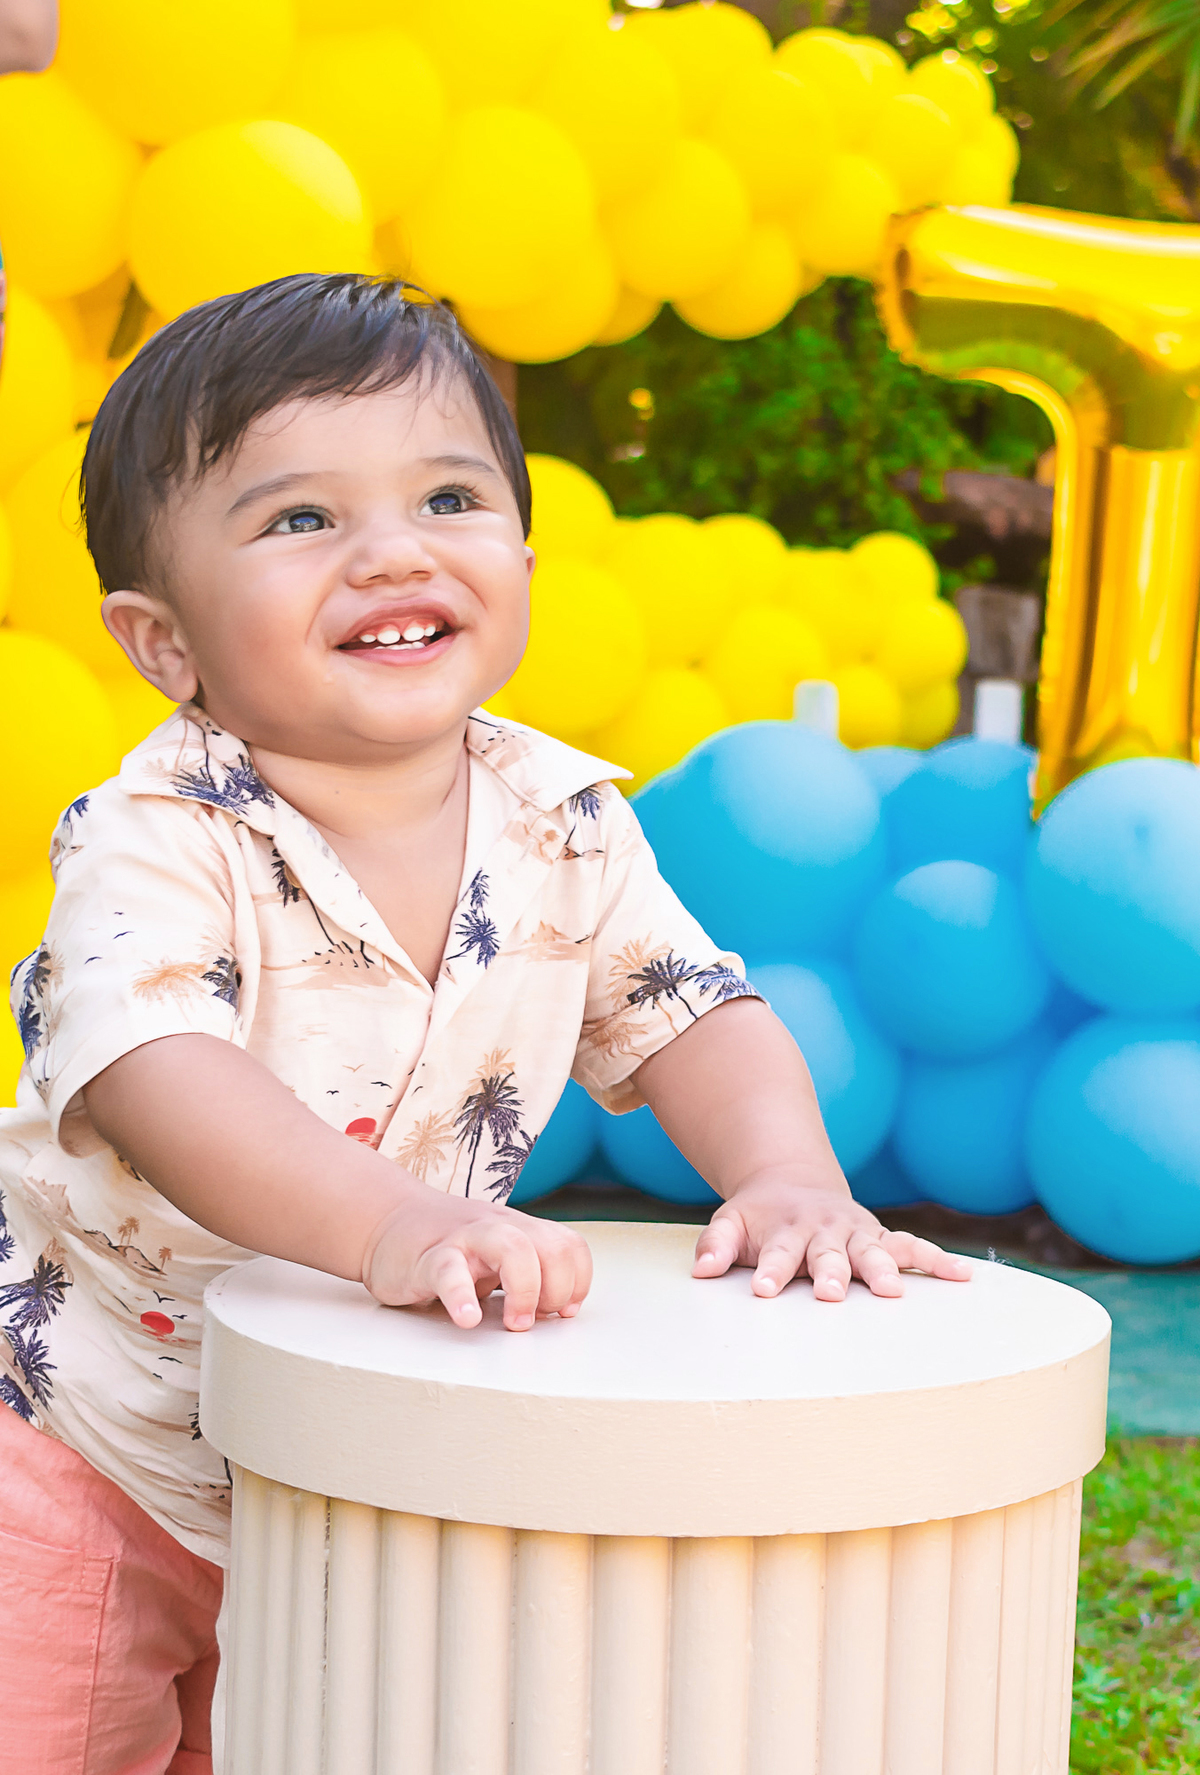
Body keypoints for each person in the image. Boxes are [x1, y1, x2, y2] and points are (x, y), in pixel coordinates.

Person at [0, 274, 968, 1773]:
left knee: (295, 1744)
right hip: (80, 1443)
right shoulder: (157, 835)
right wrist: (394, 1222)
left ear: (521, 553)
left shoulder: (562, 819)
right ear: (165, 640)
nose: (394, 551)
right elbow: (157, 1074)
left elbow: (694, 1013)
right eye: (301, 518)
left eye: (448, 498)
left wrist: (787, 1177)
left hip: (349, 1458)